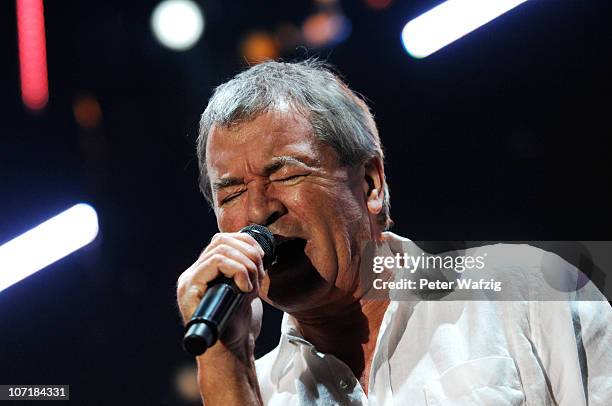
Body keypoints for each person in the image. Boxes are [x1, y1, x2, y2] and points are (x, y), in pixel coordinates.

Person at [176, 60, 612, 405]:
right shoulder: (256, 392)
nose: (258, 210)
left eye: (286, 174)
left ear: (370, 183)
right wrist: (225, 361)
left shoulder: (526, 291)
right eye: (230, 193)